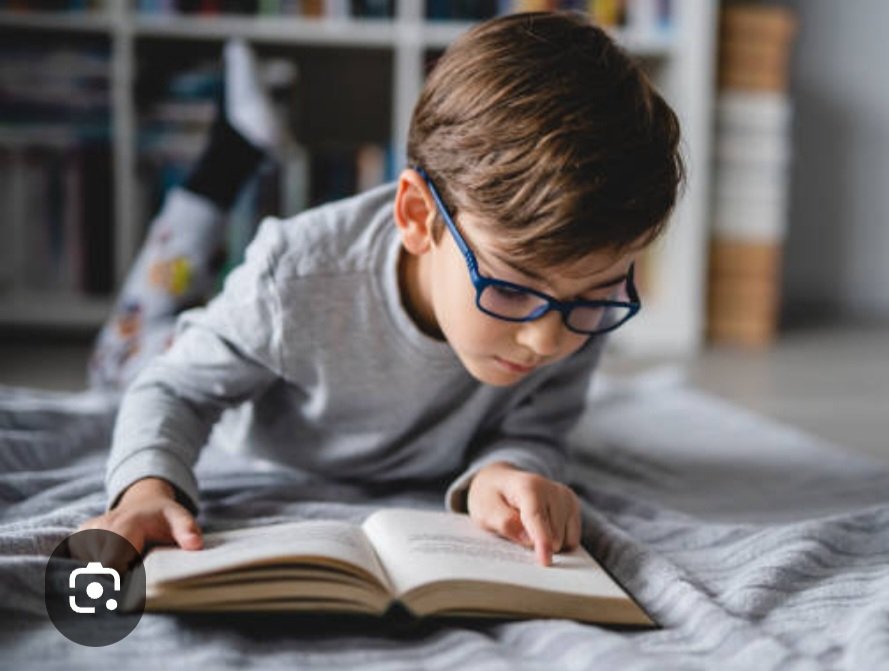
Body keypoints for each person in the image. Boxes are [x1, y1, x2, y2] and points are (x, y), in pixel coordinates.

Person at [79, 11, 684, 568]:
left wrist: (505, 470)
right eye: (511, 288)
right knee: (127, 346)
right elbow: (174, 389)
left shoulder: (575, 302)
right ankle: (225, 163)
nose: (547, 340)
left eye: (591, 297)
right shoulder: (294, 278)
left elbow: (536, 427)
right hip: (195, 358)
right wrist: (146, 490)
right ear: (419, 217)